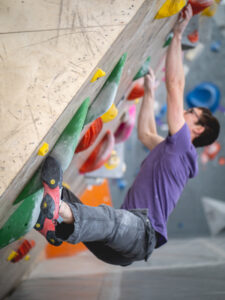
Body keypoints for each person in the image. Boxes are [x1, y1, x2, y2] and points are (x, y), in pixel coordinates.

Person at [34, 4, 220, 266]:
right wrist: (150, 93)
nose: (185, 112)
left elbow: (176, 86)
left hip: (138, 232)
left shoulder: (182, 148)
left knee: (106, 218)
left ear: (198, 129)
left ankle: (58, 212)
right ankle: (52, 218)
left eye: (191, 112)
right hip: (120, 245)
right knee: (73, 200)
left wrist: (177, 35)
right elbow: (145, 134)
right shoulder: (172, 153)